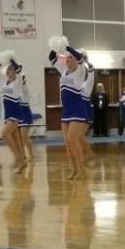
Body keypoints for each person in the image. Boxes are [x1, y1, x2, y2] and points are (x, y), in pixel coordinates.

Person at [48, 36, 89, 179]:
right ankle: (73, 169)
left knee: (72, 139)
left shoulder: (81, 70)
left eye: (71, 57)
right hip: (66, 110)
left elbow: (79, 57)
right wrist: (56, 47)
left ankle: (81, 169)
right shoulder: (63, 70)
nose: (68, 59)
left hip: (78, 108)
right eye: (67, 58)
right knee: (67, 143)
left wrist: (67, 47)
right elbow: (51, 57)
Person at [0, 51, 26, 174]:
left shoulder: (18, 82)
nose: (8, 71)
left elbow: (18, 69)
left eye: (11, 69)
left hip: (15, 112)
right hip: (7, 113)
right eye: (7, 70)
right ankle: (23, 163)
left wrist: (11, 59)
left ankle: (17, 157)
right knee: (15, 139)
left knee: (4, 135)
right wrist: (2, 61)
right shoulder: (5, 81)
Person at [16, 66, 35, 161]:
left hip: (25, 114)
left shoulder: (25, 89)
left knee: (24, 136)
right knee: (18, 137)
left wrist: (21, 77)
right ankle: (22, 154)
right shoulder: (15, 89)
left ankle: (31, 154)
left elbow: (24, 87)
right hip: (17, 114)